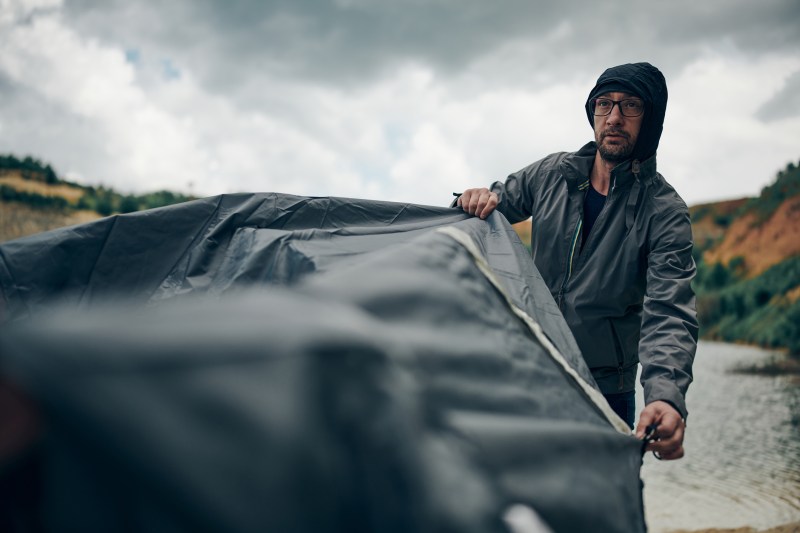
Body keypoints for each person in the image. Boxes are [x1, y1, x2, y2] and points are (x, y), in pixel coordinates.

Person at [457, 62, 697, 460]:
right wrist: (472, 199)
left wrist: (666, 397)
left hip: (604, 391)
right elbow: (490, 205)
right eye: (604, 104)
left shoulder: (665, 211)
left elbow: (669, 311)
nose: (614, 117)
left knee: (596, 507)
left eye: (630, 105)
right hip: (532, 369)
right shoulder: (553, 174)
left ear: (651, 118)